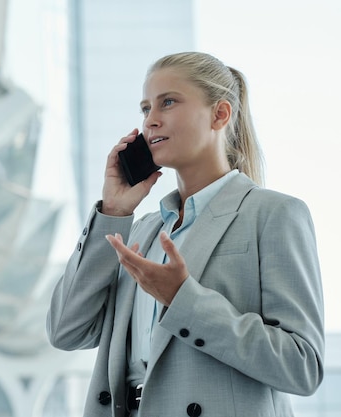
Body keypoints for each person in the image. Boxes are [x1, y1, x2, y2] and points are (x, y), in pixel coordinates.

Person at [46, 51, 324, 417]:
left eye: (168, 102)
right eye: (146, 109)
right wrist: (113, 212)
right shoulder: (143, 231)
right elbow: (67, 331)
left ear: (220, 114)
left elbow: (302, 366)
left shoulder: (273, 214)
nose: (151, 121)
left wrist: (184, 299)